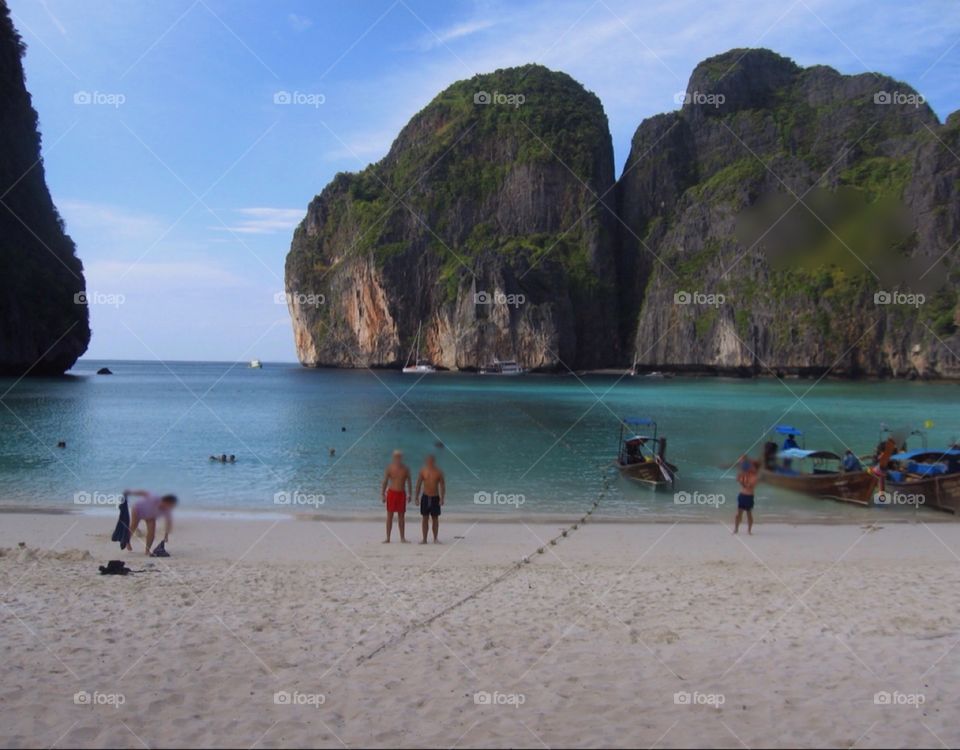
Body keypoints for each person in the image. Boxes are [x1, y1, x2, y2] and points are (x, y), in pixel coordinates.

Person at [123, 489, 177, 555]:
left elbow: (168, 523)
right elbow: (143, 492)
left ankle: (147, 550)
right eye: (169, 504)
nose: (170, 507)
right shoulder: (154, 498)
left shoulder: (167, 510)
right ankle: (127, 541)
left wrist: (166, 536)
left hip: (150, 516)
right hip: (138, 509)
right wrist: (130, 492)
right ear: (165, 501)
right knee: (134, 525)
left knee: (151, 533)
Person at [381, 450, 412, 543]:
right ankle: (388, 538)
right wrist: (382, 494)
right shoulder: (389, 468)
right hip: (391, 493)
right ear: (393, 458)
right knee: (389, 516)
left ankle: (402, 538)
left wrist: (410, 494)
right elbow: (385, 481)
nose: (398, 458)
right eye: (396, 457)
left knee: (401, 516)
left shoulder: (406, 469)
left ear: (401, 458)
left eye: (399, 457)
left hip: (401, 494)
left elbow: (409, 482)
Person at [415, 454, 445, 544]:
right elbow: (418, 484)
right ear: (426, 461)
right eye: (428, 461)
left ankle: (435, 538)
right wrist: (416, 497)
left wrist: (442, 498)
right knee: (425, 518)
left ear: (434, 461)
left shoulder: (439, 472)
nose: (430, 462)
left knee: (435, 518)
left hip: (435, 497)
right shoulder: (423, 471)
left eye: (432, 461)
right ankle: (424, 539)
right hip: (425, 496)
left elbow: (442, 486)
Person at [734, 458, 758, 535]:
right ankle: (736, 529)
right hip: (742, 496)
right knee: (738, 514)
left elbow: (749, 486)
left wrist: (743, 479)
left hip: (749, 497)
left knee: (749, 514)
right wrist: (740, 474)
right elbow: (737, 480)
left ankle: (749, 530)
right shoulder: (744, 475)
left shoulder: (754, 477)